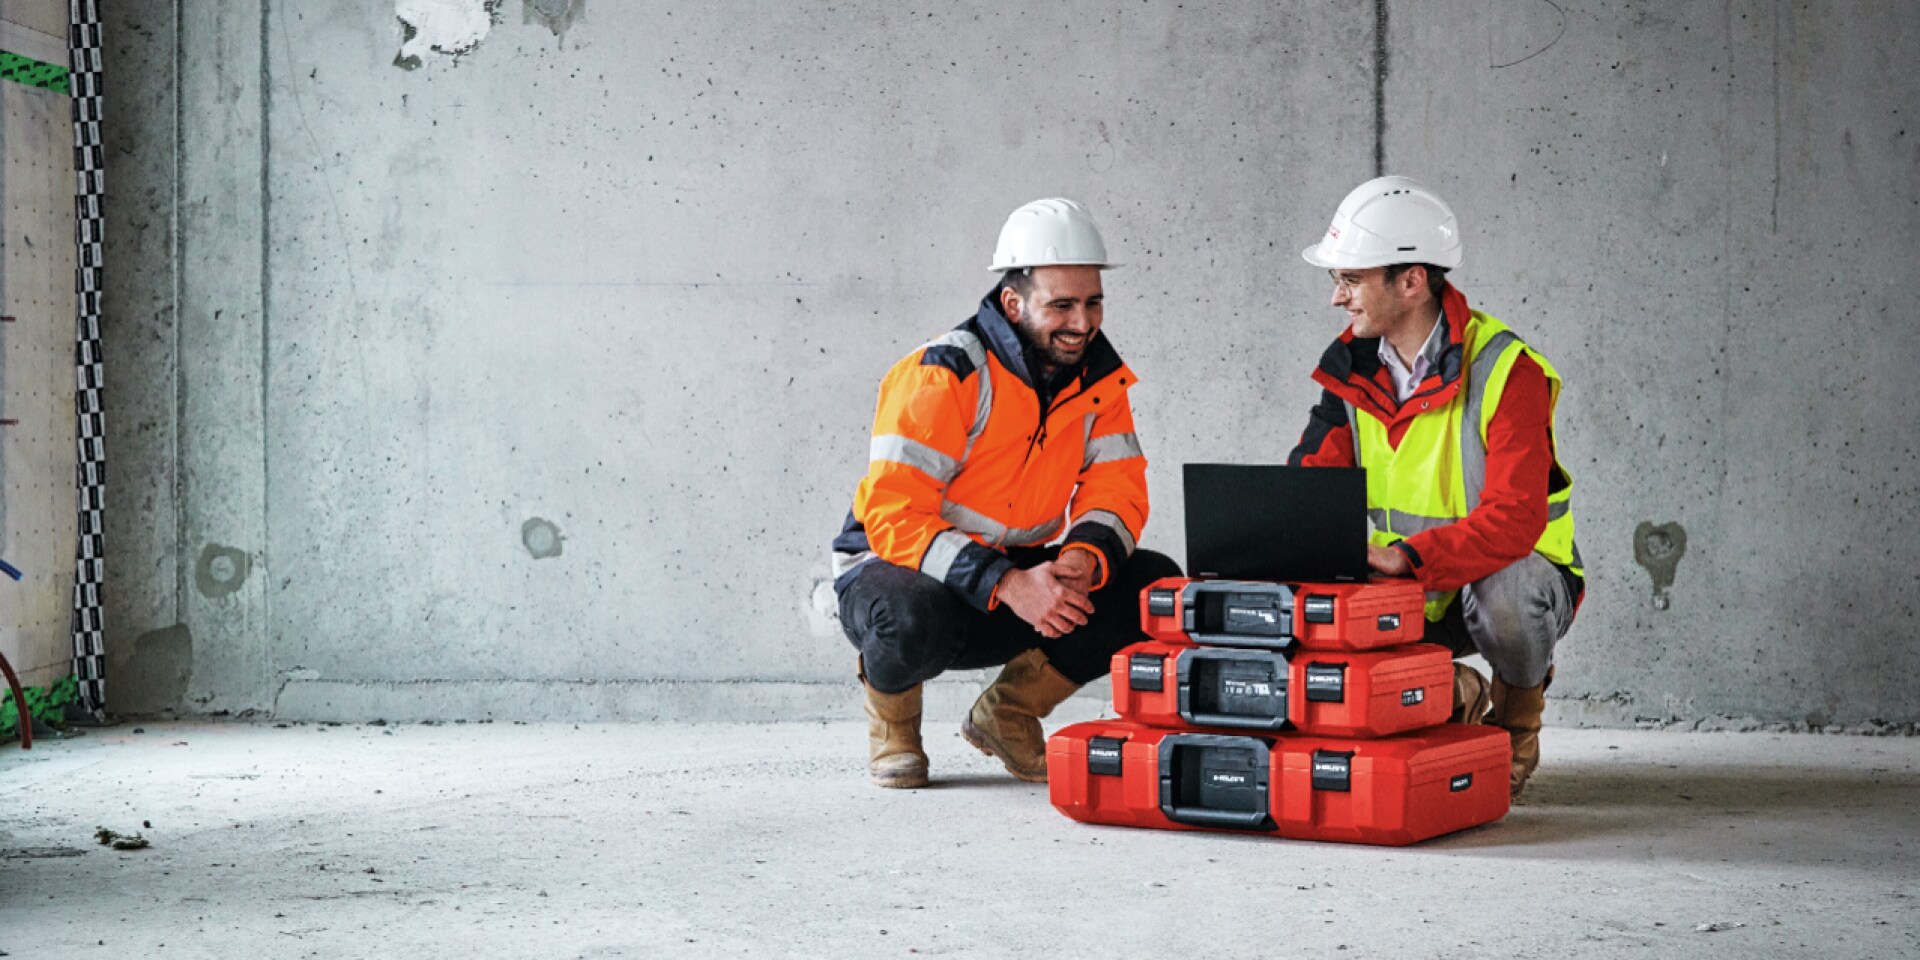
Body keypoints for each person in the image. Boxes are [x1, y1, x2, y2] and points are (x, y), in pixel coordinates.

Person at [832, 198, 1180, 789]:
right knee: (908, 615)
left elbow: (1117, 487)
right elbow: (892, 515)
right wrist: (1007, 583)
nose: (1083, 322)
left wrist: (1079, 562)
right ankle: (894, 728)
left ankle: (1008, 714)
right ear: (1014, 303)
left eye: (1093, 303)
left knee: (1150, 585)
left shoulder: (1099, 381)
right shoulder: (943, 372)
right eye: (1061, 305)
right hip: (899, 570)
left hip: (1009, 578)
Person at [1287, 177, 1584, 799]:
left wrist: (1410, 559)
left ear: (1412, 281)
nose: (1337, 299)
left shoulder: (1507, 369)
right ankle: (1456, 693)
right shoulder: (1351, 369)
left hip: (1498, 581)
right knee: (1302, 612)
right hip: (1412, 589)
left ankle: (1514, 726)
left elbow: (1515, 519)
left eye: (1351, 280)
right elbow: (1310, 490)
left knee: (1511, 590)